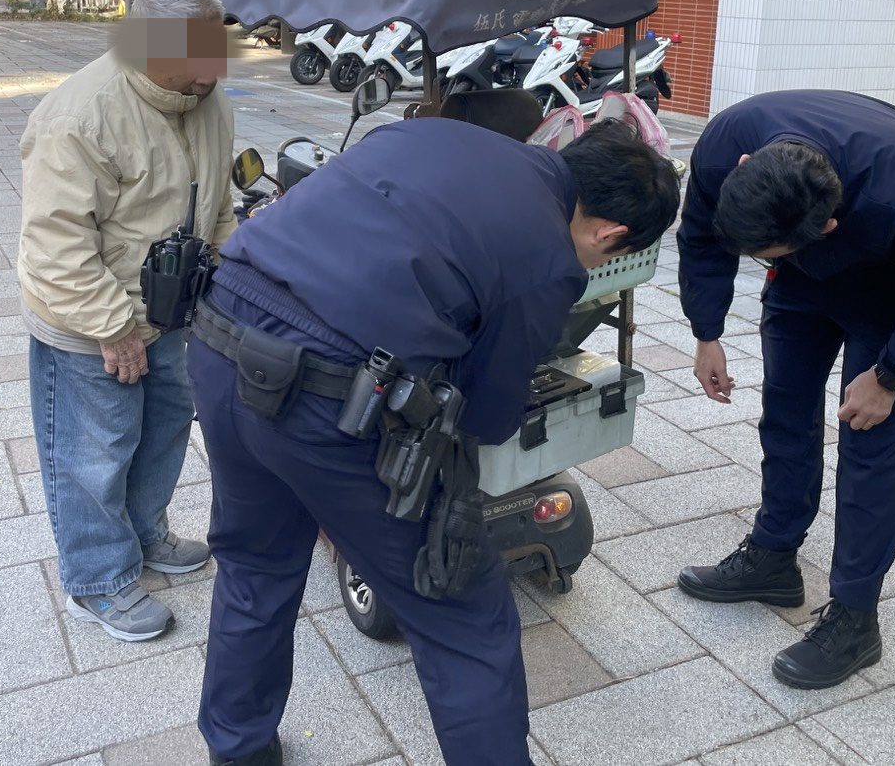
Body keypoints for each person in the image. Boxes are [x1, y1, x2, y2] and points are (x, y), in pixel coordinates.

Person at [187, 118, 680, 766]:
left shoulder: (438, 134)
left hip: (219, 341)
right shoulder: (547, 258)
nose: (597, 264)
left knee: (254, 565)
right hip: (326, 406)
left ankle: (237, 749)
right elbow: (489, 414)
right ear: (609, 234)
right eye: (607, 258)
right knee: (464, 614)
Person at [675, 90, 895, 689]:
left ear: (827, 228)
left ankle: (854, 617)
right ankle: (772, 557)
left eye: (765, 252)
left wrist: (890, 376)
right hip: (802, 283)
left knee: (867, 449)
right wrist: (706, 331)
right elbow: (701, 239)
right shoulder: (725, 145)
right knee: (785, 413)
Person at [17, 0, 238, 642]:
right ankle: (98, 578)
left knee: (165, 428)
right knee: (94, 451)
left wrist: (229, 278)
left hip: (172, 309)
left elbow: (218, 204)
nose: (207, 76)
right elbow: (56, 246)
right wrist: (114, 329)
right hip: (91, 321)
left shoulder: (207, 97)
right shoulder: (79, 115)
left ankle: (144, 534)